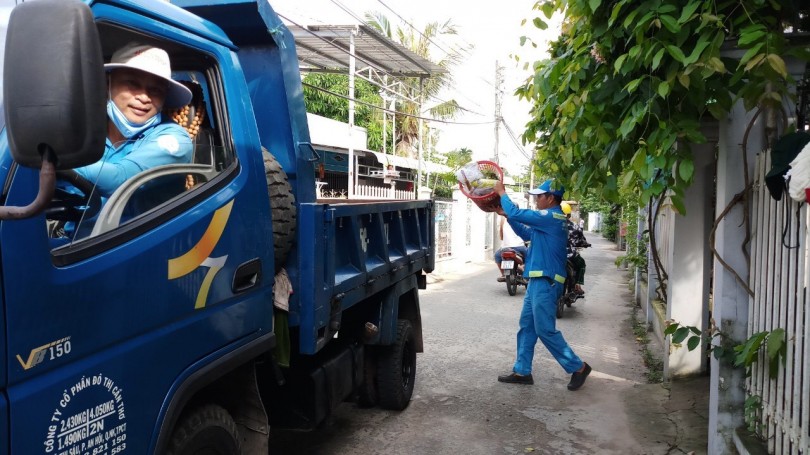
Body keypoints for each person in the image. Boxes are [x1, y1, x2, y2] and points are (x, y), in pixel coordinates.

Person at [493, 179, 591, 391]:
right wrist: (507, 216)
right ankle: (522, 371)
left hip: (546, 281)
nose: (536, 199)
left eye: (539, 196)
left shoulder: (551, 217)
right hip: (538, 281)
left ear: (551, 198)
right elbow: (526, 233)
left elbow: (518, 213)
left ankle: (579, 367)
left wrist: (502, 193)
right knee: (527, 326)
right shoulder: (549, 222)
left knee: (545, 330)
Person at [74, 42, 194, 198]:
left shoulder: (175, 140)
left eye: (155, 90)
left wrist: (55, 161)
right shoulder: (86, 127)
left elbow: (120, 180)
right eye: (132, 83)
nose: (144, 97)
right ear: (107, 84)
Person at [561, 202, 588, 296]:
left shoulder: (551, 226)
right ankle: (577, 284)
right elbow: (582, 240)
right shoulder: (575, 226)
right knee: (581, 263)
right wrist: (584, 244)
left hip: (554, 255)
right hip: (570, 255)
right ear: (569, 215)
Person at [494, 214, 528, 282]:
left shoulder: (502, 220)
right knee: (529, 257)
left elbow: (501, 235)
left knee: (497, 256)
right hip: (519, 246)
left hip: (505, 248)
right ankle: (523, 268)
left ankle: (504, 274)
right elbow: (526, 234)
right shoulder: (520, 218)